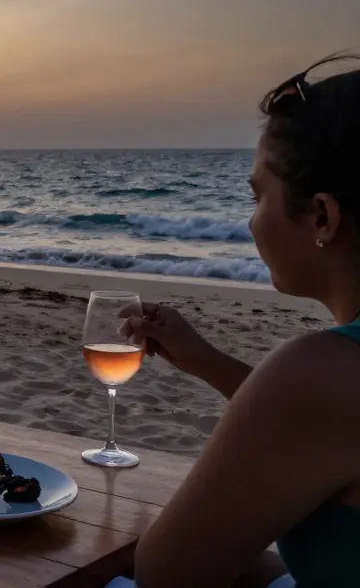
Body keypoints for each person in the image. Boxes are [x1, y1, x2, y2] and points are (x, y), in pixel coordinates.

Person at [110, 55, 360, 588]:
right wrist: (205, 361)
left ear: (322, 216)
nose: (250, 221)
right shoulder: (326, 386)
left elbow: (166, 573)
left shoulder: (320, 371)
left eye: (257, 196)